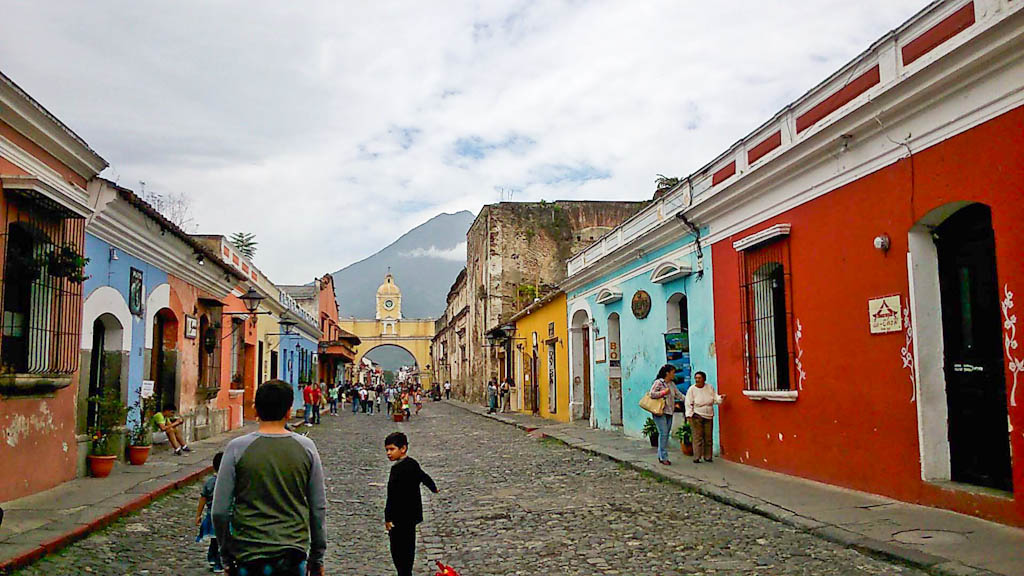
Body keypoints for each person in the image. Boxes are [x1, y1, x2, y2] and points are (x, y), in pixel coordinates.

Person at [212, 379, 327, 576]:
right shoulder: (307, 448)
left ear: (256, 410)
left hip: (248, 553)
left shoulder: (236, 448)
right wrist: (316, 558)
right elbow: (318, 507)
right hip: (292, 552)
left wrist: (225, 556)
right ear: (288, 411)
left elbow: (220, 511)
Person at [384, 432, 439, 576]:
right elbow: (423, 476)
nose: (388, 453)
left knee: (398, 550)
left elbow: (392, 495)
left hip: (399, 518)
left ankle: (404, 573)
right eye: (387, 450)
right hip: (412, 516)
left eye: (391, 449)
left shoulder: (396, 470)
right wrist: (433, 487)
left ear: (403, 449)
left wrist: (388, 517)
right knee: (409, 547)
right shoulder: (413, 463)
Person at [685, 371, 725, 463]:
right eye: (696, 378)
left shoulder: (709, 387)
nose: (697, 380)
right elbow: (688, 403)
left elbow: (715, 398)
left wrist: (721, 398)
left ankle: (708, 456)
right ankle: (697, 456)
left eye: (699, 378)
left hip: (709, 414)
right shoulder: (692, 390)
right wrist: (689, 415)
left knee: (708, 436)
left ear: (704, 379)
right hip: (697, 414)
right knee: (697, 436)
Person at [649, 364, 686, 465]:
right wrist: (663, 393)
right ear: (667, 373)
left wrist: (689, 400)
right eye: (672, 372)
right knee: (664, 433)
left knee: (665, 433)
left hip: (669, 411)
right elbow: (652, 394)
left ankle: (660, 455)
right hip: (660, 411)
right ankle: (663, 457)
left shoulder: (672, 384)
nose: (674, 375)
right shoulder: (659, 383)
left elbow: (678, 394)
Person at [196, 452, 225, 573]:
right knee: (221, 541)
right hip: (222, 516)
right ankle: (218, 563)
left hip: (210, 515)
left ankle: (211, 557)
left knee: (214, 539)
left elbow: (203, 498)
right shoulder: (228, 482)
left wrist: (198, 515)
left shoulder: (209, 482)